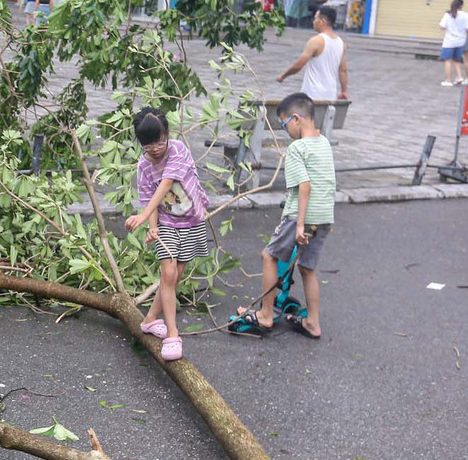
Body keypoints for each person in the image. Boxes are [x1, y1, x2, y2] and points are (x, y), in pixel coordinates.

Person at [234, 93, 336, 339]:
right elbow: (326, 182)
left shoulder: (297, 148)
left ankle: (266, 314)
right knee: (307, 268)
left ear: (297, 119)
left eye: (284, 124)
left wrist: (299, 224)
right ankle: (313, 322)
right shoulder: (324, 143)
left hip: (300, 216)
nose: (285, 130)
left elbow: (305, 186)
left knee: (269, 256)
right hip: (324, 216)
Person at [123, 107, 212, 362]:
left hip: (193, 221)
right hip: (167, 225)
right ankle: (173, 335)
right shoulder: (143, 167)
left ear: (168, 134)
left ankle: (150, 319)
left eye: (160, 142)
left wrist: (141, 216)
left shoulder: (178, 150)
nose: (156, 149)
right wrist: (152, 225)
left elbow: (165, 185)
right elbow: (151, 197)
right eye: (149, 146)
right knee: (168, 274)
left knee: (174, 278)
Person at [276, 7, 348, 102]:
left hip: (312, 94)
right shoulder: (341, 43)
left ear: (322, 21)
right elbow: (343, 70)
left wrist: (283, 76)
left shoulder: (316, 41)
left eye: (315, 18)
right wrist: (344, 91)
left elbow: (299, 65)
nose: (313, 22)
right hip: (330, 95)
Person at [438, 0, 468, 87]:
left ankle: (448, 80)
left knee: (448, 60)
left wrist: (449, 31)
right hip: (461, 40)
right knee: (456, 60)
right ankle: (459, 77)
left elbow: (442, 26)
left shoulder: (448, 14)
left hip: (449, 41)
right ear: (462, 6)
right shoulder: (465, 15)